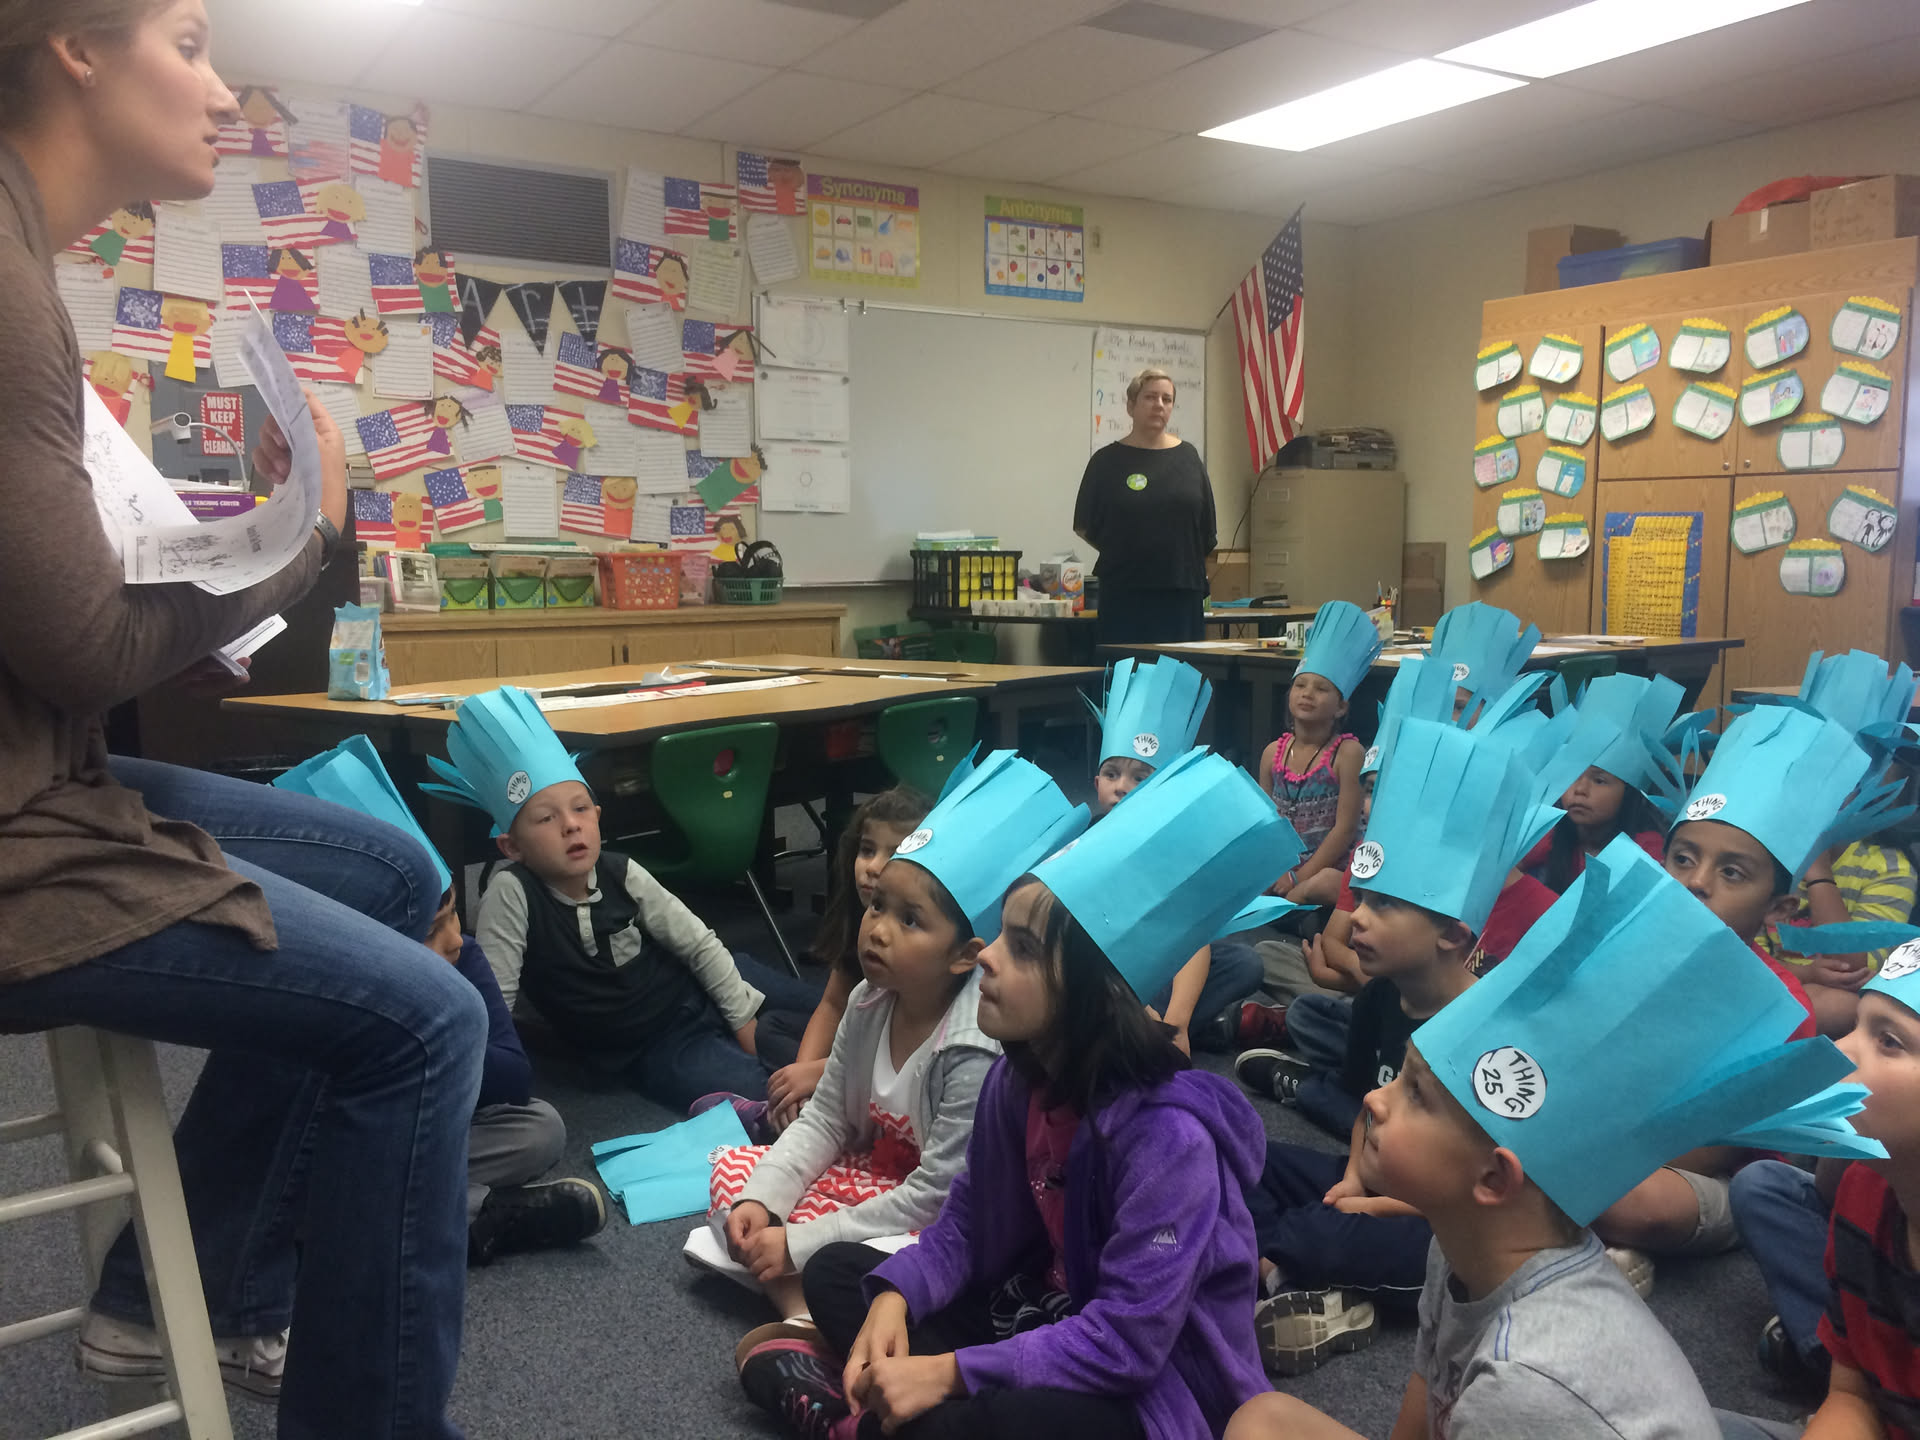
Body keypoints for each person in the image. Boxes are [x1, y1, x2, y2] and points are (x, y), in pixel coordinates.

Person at [0, 7, 485, 1434]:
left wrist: (236, 552)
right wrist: (305, 533)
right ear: (76, 46)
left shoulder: (29, 262)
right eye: (191, 40)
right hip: (20, 830)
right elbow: (87, 647)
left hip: (48, 775)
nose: (223, 91)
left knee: (392, 867)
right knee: (430, 1026)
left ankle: (187, 1293)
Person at [1227, 835, 1877, 1440]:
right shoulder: (1455, 1254)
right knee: (1263, 1420)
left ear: (1493, 1177)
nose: (1373, 1098)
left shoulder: (1524, 1383)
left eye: (1413, 1093)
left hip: (1589, 1276)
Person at [737, 748, 1292, 1440]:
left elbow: (1127, 1344)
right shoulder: (1017, 1079)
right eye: (1000, 933)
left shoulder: (1169, 1140)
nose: (988, 956)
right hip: (1040, 1311)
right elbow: (965, 1228)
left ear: (1094, 993)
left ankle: (867, 1416)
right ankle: (894, 1406)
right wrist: (898, 1298)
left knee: (1009, 1417)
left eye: (1022, 948)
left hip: (1153, 1385)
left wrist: (949, 1373)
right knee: (840, 1275)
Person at [695, 752, 1080, 1328]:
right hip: (877, 1177)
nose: (876, 929)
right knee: (737, 1179)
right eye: (878, 906)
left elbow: (937, 1197)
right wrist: (764, 1202)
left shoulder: (972, 1048)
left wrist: (799, 1241)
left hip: (939, 1211)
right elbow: (825, 1120)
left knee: (865, 1262)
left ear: (964, 956)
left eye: (909, 920)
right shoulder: (867, 1000)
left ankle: (802, 1311)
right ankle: (803, 1310)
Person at [1238, 717, 1562, 1375]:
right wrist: (1354, 1179)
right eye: (1364, 898)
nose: (1357, 917)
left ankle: (1277, 1268)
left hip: (1446, 1215)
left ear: (1453, 934)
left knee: (1340, 1234)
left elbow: (1489, 1190)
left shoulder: (1489, 1035)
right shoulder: (1382, 996)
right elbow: (1368, 1103)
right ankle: (1306, 1276)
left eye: (1384, 905)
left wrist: (1371, 1204)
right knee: (1247, 1158)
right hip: (1379, 1176)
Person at [267, 737, 608, 1268]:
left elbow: (513, 1076)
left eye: (452, 916)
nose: (452, 940)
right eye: (429, 931)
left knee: (540, 1129)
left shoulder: (462, 957)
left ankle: (396, 1217)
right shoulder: (325, 990)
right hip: (349, 1147)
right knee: (293, 1183)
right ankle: (476, 1214)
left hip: (434, 1134)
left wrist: (444, 1022)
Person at [1595, 704, 1905, 1287]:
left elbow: (1714, 1148)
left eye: (1731, 873)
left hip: (1712, 1173)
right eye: (1682, 859)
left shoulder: (1779, 1008)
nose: (1696, 882)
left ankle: (1573, 1222)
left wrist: (1579, 1160)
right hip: (1599, 1138)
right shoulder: (1622, 959)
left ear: (1777, 909)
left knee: (1635, 1201)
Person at [428, 686, 821, 1112]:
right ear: (512, 847)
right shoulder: (513, 893)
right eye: (546, 818)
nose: (570, 826)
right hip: (656, 1043)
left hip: (707, 978)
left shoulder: (622, 871)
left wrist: (743, 1021)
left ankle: (797, 1042)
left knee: (838, 1017)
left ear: (597, 817)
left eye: (581, 809)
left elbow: (698, 944)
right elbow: (495, 1002)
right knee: (770, 1096)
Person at [1720, 943, 1920, 1440]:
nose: (1839, 1051)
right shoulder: (1864, 1192)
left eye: (1889, 1041)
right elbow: (1853, 1398)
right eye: (1856, 1026)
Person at [1088, 655, 1262, 1052]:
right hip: (1105, 970)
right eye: (1112, 775)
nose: (1122, 786)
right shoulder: (1087, 845)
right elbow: (1089, 946)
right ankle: (1156, 1032)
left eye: (1139, 778)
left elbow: (1191, 938)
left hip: (1160, 964)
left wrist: (1178, 1024)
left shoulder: (1175, 850)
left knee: (1245, 963)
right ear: (1096, 783)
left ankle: (1160, 1034)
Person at [763, 787, 932, 1136]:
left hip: (903, 1060)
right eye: (867, 850)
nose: (873, 867)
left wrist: (818, 1074)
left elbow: (909, 1045)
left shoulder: (923, 935)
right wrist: (803, 1075)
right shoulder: (858, 913)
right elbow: (833, 1003)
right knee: (771, 1026)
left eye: (894, 852)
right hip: (861, 1032)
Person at [1072, 366, 1215, 647]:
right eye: (1150, 397)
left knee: (1180, 670)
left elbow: (1206, 529)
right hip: (1124, 593)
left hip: (1181, 593)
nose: (1159, 405)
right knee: (1126, 669)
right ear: (1131, 405)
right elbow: (1085, 526)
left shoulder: (1189, 458)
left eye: (1167, 399)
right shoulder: (1106, 462)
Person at [1520, 672, 1689, 893]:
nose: (1580, 790)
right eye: (1571, 776)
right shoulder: (1553, 838)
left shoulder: (1647, 854)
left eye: (1599, 780)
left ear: (1629, 792)